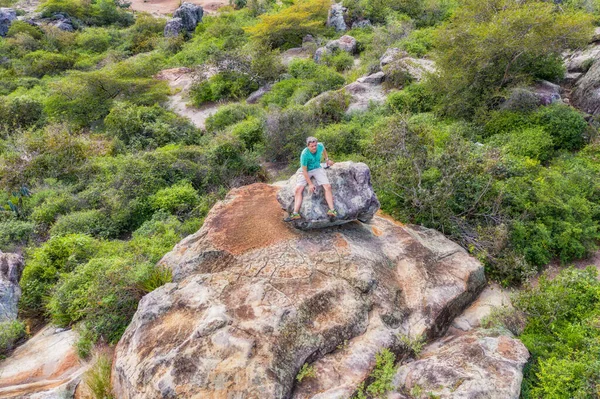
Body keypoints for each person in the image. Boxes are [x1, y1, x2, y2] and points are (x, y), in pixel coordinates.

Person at [285, 136, 336, 221]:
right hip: (307, 170)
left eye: (315, 145)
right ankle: (295, 213)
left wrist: (327, 159)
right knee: (298, 189)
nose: (314, 147)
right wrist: (310, 184)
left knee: (327, 186)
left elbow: (323, 149)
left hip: (317, 168)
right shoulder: (304, 154)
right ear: (308, 146)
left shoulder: (320, 146)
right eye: (312, 146)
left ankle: (332, 210)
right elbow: (304, 171)